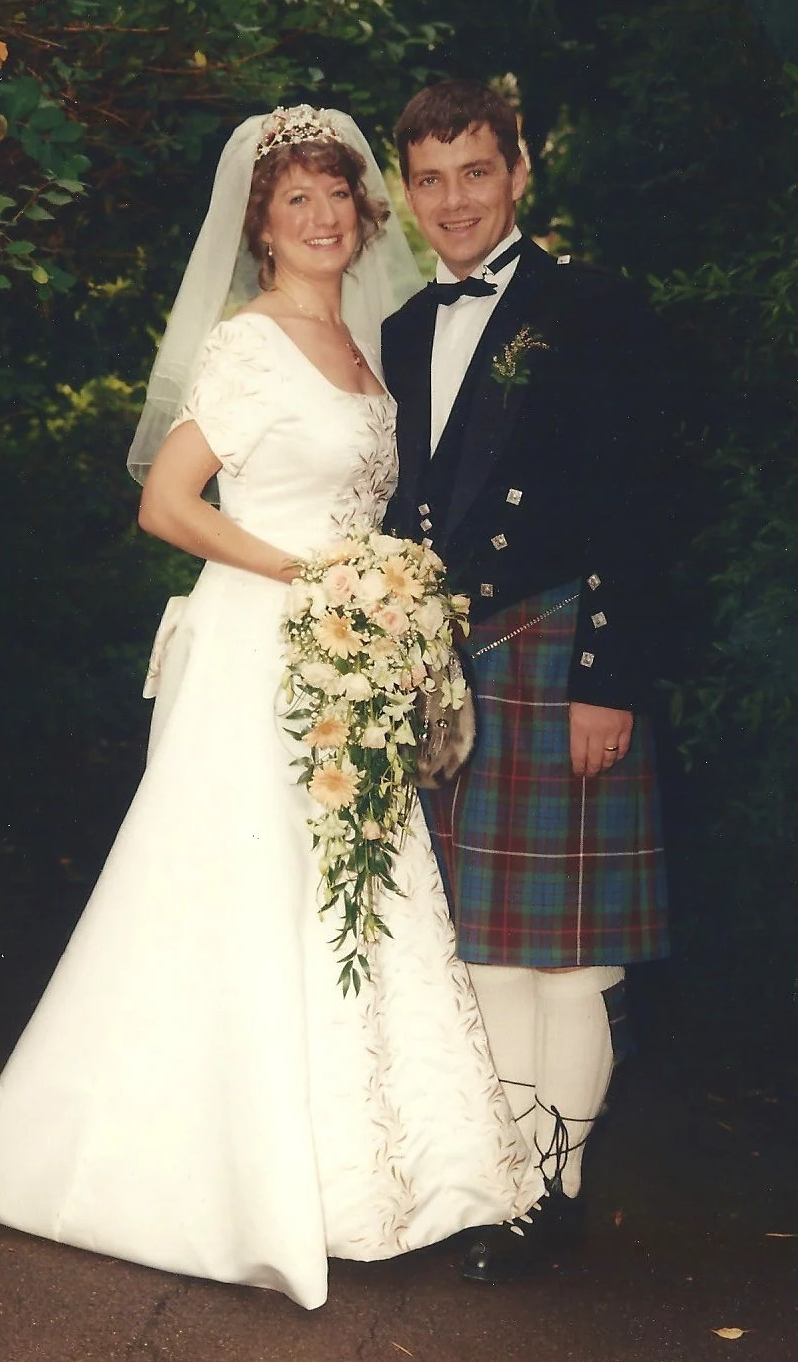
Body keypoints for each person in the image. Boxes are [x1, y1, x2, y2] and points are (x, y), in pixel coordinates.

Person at [0, 105, 541, 1312]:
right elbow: (169, 503)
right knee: (251, 894)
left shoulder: (370, 343)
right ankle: (223, 1172)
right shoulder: (247, 346)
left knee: (358, 888)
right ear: (259, 227)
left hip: (346, 655)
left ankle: (375, 1177)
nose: (322, 216)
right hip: (263, 644)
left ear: (365, 211)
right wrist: (308, 576)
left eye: (337, 194)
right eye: (295, 200)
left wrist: (380, 607)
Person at [381, 80, 670, 1282]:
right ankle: (510, 1182)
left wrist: (608, 678)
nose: (454, 200)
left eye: (475, 171)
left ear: (517, 172)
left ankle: (559, 1190)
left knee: (571, 954)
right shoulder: (404, 328)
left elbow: (641, 504)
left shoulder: (593, 308)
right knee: (490, 950)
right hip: (458, 668)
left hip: (559, 652)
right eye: (430, 178)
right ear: (407, 191)